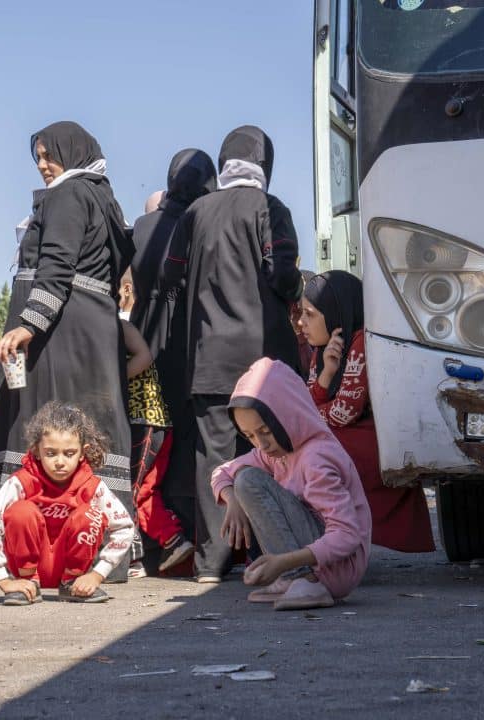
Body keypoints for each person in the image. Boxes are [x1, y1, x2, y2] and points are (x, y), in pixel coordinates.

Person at [0, 123, 135, 584]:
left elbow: (56, 267)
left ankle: (36, 551)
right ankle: (93, 553)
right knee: (88, 425)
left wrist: (28, 325)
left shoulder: (68, 196)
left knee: (41, 421)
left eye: (50, 155)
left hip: (60, 336)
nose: (44, 165)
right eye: (39, 158)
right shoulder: (101, 195)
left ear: (72, 153)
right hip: (86, 332)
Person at [166, 127, 303, 582]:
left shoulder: (197, 212)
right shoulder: (271, 208)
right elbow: (282, 275)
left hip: (209, 360)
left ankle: (210, 563)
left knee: (214, 460)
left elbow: (171, 275)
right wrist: (297, 291)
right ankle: (269, 554)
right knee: (272, 454)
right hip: (265, 366)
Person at [212, 358, 371, 610]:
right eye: (251, 436)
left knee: (249, 480)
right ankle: (295, 579)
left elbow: (347, 535)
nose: (261, 444)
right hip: (317, 561)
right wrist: (231, 500)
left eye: (265, 430)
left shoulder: (316, 457)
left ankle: (303, 580)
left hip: (338, 567)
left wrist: (283, 562)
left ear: (288, 414)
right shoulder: (278, 452)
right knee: (242, 479)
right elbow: (222, 472)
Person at [300, 270, 435, 552]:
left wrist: (313, 413)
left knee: (311, 449)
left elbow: (342, 413)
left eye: (310, 314)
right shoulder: (321, 351)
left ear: (334, 311)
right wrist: (327, 375)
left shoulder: (360, 342)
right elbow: (309, 404)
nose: (301, 323)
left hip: (370, 439)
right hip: (347, 434)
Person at [130, 150, 217, 552]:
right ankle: (191, 532)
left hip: (145, 331)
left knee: (149, 432)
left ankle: (150, 537)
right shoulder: (202, 222)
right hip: (188, 333)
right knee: (187, 433)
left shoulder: (143, 225)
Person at [0, 402, 134, 604]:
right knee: (21, 512)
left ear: (82, 452)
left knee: (89, 514)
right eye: (51, 453)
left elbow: (125, 527)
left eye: (69, 453)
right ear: (36, 451)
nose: (60, 461)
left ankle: (71, 583)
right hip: (27, 570)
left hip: (72, 570)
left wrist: (97, 574)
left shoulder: (91, 486)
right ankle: (28, 584)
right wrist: (4, 579)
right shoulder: (21, 482)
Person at [120, 311, 195, 577]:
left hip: (147, 420)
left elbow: (144, 356)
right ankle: (173, 540)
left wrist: (115, 379)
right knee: (144, 493)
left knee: (130, 491)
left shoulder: (123, 325)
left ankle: (132, 557)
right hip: (151, 422)